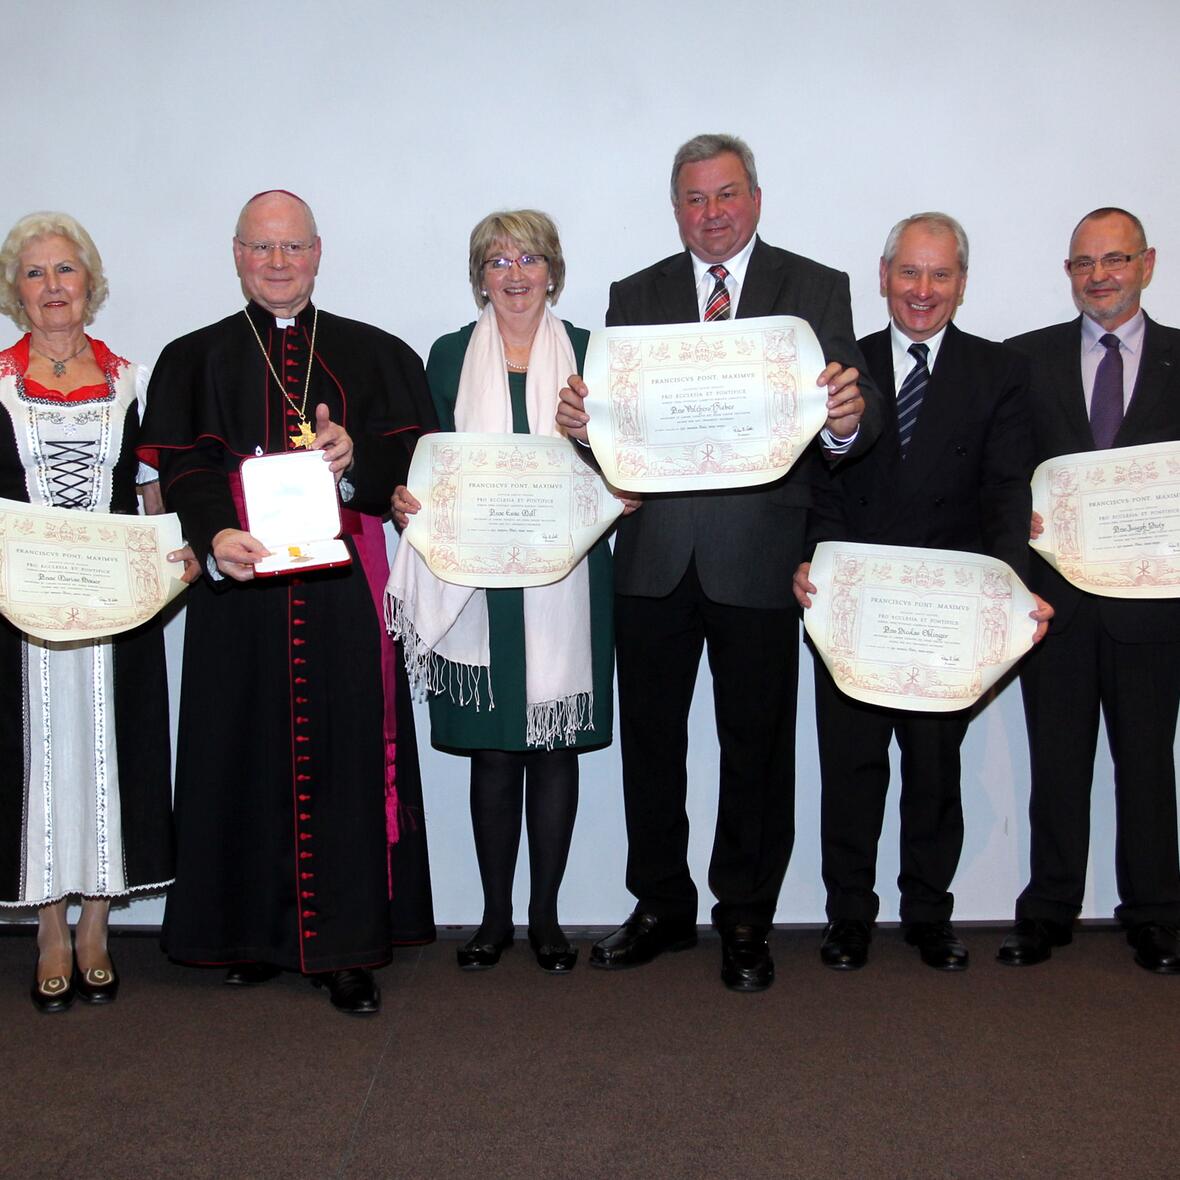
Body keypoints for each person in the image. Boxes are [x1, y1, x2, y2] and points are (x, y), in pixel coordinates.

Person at [557, 133, 882, 991]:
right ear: (676, 210)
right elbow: (617, 444)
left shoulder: (815, 289)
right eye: (695, 200)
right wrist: (587, 432)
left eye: (726, 195)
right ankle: (661, 904)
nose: (712, 214)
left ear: (756, 198)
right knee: (652, 750)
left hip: (763, 556)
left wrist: (846, 419)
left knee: (757, 749)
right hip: (655, 559)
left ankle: (744, 916)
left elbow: (847, 432)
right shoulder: (636, 296)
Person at [138, 190, 436, 1014]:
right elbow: (184, 471)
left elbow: (416, 466)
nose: (278, 263)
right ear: (237, 254)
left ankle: (346, 949)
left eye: (293, 248)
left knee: (342, 758)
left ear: (317, 252)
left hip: (340, 593)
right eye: (261, 249)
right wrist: (211, 535)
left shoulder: (373, 353)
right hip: (242, 589)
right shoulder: (193, 357)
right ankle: (252, 935)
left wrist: (356, 458)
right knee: (241, 752)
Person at [793, 213, 1052, 972]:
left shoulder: (997, 372)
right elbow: (817, 483)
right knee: (850, 770)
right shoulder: (846, 366)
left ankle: (929, 914)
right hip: (853, 610)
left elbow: (1009, 493)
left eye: (941, 275)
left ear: (962, 285)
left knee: (936, 773)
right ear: (882, 278)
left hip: (951, 618)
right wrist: (813, 564)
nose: (923, 290)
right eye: (909, 273)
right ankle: (848, 916)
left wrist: (1010, 597)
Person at [389, 211, 619, 974]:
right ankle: (492, 918)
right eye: (496, 261)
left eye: (528, 258)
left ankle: (547, 918)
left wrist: (606, 463)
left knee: (553, 750)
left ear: (552, 270)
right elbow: (426, 463)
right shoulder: (450, 356)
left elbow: (627, 463)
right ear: (479, 277)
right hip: (476, 583)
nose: (514, 274)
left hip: (568, 581)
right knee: (493, 754)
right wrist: (406, 500)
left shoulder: (591, 352)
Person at [0, 212, 190, 1012]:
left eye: (66, 270)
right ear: (16, 291)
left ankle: (98, 924)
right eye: (36, 273)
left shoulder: (136, 382)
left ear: (91, 283)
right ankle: (49, 923)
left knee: (115, 753)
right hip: (19, 616)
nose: (53, 287)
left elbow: (152, 495)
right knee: (36, 757)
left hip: (116, 610)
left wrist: (174, 549)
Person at [998, 207, 1180, 974]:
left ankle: (1157, 914)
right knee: (1057, 763)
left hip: (1153, 607)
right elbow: (1005, 478)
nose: (1099, 276)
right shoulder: (1025, 361)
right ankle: (1048, 909)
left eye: (1114, 259)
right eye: (1083, 263)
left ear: (1147, 263)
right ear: (1068, 273)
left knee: (1146, 763)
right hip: (1056, 606)